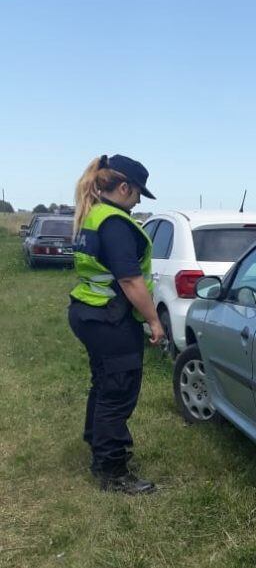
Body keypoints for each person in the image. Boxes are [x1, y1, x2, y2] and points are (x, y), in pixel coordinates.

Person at [69, 154, 163, 494]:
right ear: (124, 187)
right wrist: (154, 320)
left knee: (104, 382)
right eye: (138, 193)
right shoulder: (115, 223)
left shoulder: (92, 215)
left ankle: (97, 442)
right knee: (118, 390)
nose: (138, 200)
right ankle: (111, 469)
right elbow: (130, 281)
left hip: (89, 311)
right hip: (110, 318)